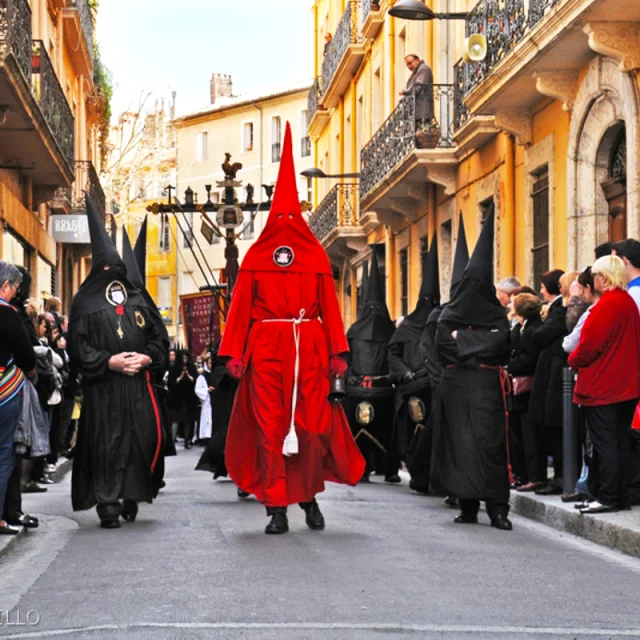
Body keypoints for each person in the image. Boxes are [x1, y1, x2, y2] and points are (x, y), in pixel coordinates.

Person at [218, 123, 364, 534]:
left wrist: (337, 353)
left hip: (309, 351)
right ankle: (277, 507)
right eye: (279, 214)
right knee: (270, 429)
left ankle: (308, 495)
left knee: (312, 428)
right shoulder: (256, 258)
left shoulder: (315, 257)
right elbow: (241, 310)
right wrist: (236, 355)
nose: (284, 220)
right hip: (267, 353)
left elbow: (330, 310)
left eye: (289, 214)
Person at [68, 195, 167, 529]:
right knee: (106, 445)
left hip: (138, 386)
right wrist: (108, 361)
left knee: (140, 440)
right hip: (104, 390)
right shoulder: (83, 302)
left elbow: (159, 340)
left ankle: (132, 494)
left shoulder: (139, 297)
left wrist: (146, 357)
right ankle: (107, 504)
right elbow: (77, 348)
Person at [431, 205, 513, 530]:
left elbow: (503, 344)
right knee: (460, 447)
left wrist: (463, 341)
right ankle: (467, 507)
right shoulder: (449, 314)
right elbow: (441, 343)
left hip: (487, 389)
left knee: (491, 447)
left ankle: (498, 509)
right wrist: (480, 340)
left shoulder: (496, 316)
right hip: (456, 389)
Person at [568, 255, 640, 514]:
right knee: (620, 440)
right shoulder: (628, 303)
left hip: (603, 385)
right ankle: (619, 495)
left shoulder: (607, 305)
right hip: (626, 385)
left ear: (604, 278)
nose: (594, 279)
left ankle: (608, 495)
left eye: (597, 275)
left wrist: (572, 359)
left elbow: (588, 346)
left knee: (605, 442)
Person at [388, 236, 439, 486]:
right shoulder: (406, 326)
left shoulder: (441, 321)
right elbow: (393, 354)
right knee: (410, 431)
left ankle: (431, 474)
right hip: (410, 390)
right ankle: (417, 473)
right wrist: (405, 372)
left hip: (434, 388)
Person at [345, 252, 399, 483]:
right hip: (365, 390)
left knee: (387, 432)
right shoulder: (386, 331)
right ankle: (369, 469)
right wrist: (351, 377)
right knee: (369, 431)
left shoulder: (356, 331)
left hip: (378, 390)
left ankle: (384, 469)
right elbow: (346, 360)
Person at [0, 262, 37, 535]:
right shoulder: (7, 313)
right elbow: (26, 354)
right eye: (14, 287)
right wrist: (32, 372)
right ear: (5, 286)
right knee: (4, 454)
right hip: (4, 391)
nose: (15, 292)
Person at [529, 268, 567, 495]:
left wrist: (533, 334)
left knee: (554, 425)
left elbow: (541, 335)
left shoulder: (560, 310)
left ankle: (561, 477)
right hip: (549, 372)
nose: (541, 290)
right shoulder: (556, 309)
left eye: (543, 286)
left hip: (555, 374)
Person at [509, 293, 544, 492]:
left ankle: (532, 475)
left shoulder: (532, 330)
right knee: (520, 434)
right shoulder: (522, 328)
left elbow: (528, 358)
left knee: (529, 435)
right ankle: (523, 474)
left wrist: (510, 365)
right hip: (522, 389)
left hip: (528, 389)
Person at [167, 351, 199, 449]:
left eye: (186, 358)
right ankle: (171, 443)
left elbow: (197, 381)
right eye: (183, 359)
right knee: (175, 420)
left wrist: (189, 376)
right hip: (177, 397)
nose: (184, 361)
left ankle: (186, 441)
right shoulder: (174, 369)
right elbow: (170, 383)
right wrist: (180, 378)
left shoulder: (191, 368)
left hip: (189, 397)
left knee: (188, 420)